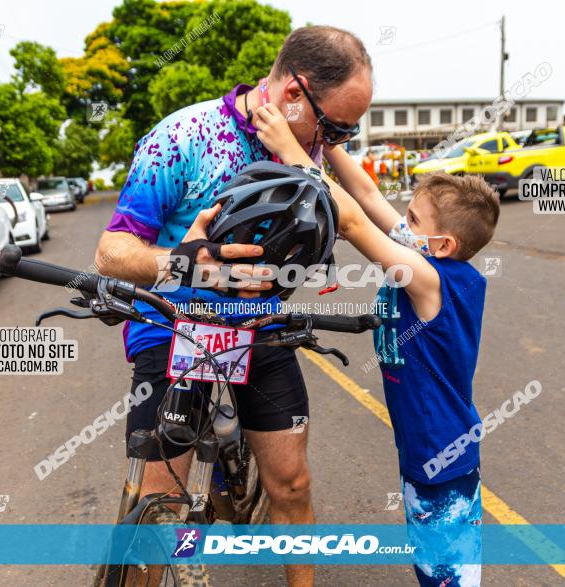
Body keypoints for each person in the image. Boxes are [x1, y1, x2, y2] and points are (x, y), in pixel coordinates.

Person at [94, 26, 372, 586]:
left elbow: (361, 212)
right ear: (295, 93)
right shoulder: (184, 136)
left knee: (291, 484)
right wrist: (185, 264)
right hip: (178, 329)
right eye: (336, 125)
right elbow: (110, 253)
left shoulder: (308, 148)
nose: (338, 139)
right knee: (160, 506)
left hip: (261, 328)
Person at [253, 102, 500, 587]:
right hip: (426, 446)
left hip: (440, 452)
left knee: (446, 574)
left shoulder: (430, 278)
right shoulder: (426, 255)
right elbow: (365, 194)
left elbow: (352, 223)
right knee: (434, 564)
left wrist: (289, 150)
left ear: (444, 243)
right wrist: (328, 147)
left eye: (413, 217)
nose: (403, 222)